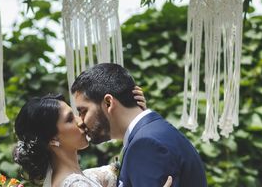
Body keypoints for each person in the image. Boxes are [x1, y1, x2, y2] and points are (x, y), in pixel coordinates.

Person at [71, 63, 207, 187]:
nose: (81, 121)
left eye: (83, 111)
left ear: (108, 103)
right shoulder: (151, 133)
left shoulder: (146, 144)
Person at [13, 89, 172, 187]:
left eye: (76, 114)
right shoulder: (74, 184)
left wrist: (134, 116)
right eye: (70, 119)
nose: (81, 121)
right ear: (52, 139)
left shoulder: (84, 177)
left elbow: (118, 167)